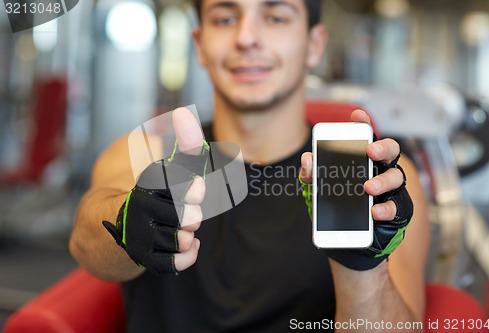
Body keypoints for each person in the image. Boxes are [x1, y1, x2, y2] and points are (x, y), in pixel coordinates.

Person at [70, 0, 430, 331]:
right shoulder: (151, 151)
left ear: (314, 44)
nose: (247, 38)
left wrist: (363, 268)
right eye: (225, 18)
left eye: (275, 17)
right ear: (199, 44)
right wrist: (131, 219)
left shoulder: (380, 185)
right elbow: (86, 241)